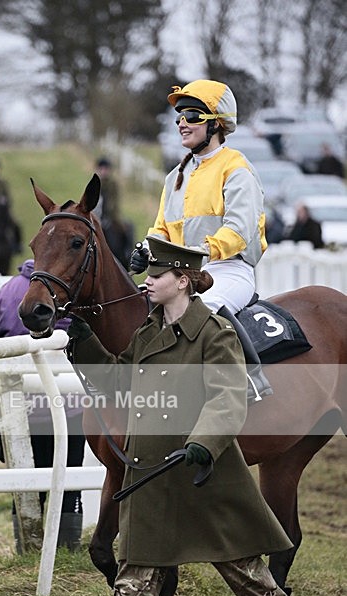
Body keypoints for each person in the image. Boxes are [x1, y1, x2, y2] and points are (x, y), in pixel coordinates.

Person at [66, 237, 319, 596]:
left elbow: (227, 398)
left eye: (157, 276)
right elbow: (120, 384)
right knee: (137, 560)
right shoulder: (148, 332)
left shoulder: (214, 334)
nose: (147, 283)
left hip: (201, 468)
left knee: (241, 565)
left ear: (182, 281)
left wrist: (204, 442)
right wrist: (87, 346)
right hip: (154, 467)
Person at [130, 79, 272, 402]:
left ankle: (251, 378)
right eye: (179, 116)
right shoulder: (174, 176)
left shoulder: (237, 169)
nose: (182, 122)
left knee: (201, 309)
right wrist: (146, 250)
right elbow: (161, 230)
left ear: (216, 124)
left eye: (192, 115)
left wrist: (200, 253)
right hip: (184, 274)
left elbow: (238, 231)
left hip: (229, 270)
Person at [0, 258, 86, 551]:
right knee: (69, 478)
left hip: (18, 410)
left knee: (26, 483)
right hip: (68, 407)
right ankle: (68, 547)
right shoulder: (68, 295)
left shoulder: (6, 291)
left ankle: (27, 546)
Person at [94, 157, 134, 266]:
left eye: (105, 168)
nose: (103, 171)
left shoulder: (113, 184)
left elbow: (113, 202)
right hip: (96, 215)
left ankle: (128, 254)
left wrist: (109, 216)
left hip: (111, 215)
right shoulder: (95, 183)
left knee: (128, 226)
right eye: (101, 168)